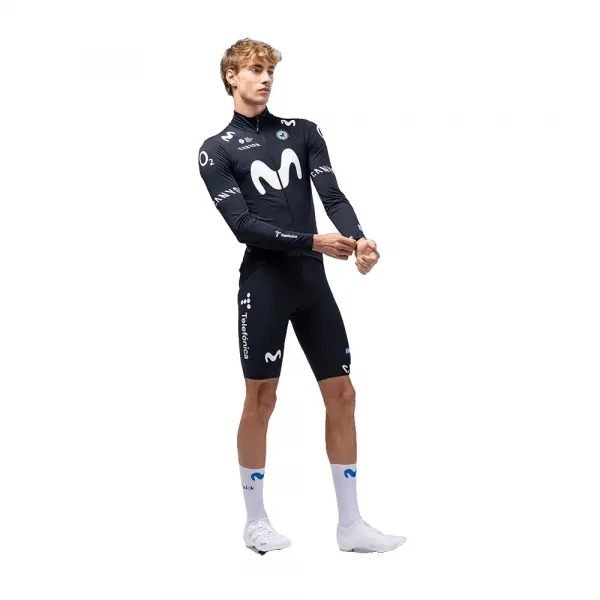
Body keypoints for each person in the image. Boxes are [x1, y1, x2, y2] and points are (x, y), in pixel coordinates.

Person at [197, 38, 406, 554]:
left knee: (343, 394)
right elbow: (243, 226)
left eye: (270, 70)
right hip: (265, 283)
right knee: (261, 399)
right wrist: (314, 241)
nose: (265, 78)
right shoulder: (215, 149)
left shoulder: (304, 131)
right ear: (231, 77)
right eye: (254, 69)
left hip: (312, 284)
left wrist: (359, 239)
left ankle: (351, 525)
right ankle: (255, 521)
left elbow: (330, 194)